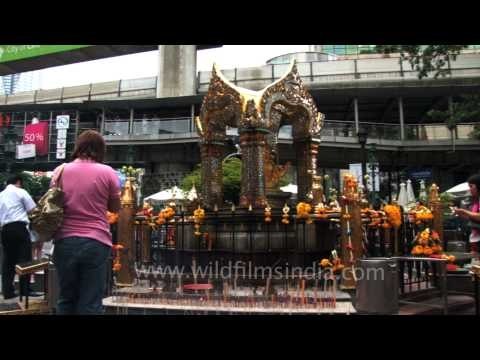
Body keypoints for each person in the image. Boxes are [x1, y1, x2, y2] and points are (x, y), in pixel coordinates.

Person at [51, 130, 121, 314]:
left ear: (78, 147)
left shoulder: (60, 171)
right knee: (90, 302)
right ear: (101, 149)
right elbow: (115, 208)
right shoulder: (108, 172)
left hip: (64, 241)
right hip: (96, 241)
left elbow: (53, 204)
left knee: (66, 299)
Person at [0, 174, 36, 299]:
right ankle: (25, 290)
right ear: (18, 182)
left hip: (5, 229)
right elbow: (32, 209)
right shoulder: (20, 191)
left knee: (8, 261)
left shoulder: (1, 195)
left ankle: (7, 292)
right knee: (24, 259)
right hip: (19, 227)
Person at [454, 174, 480, 259]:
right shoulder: (476, 200)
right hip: (475, 237)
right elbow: (473, 218)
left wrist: (464, 211)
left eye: (471, 186)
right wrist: (461, 214)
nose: (470, 189)